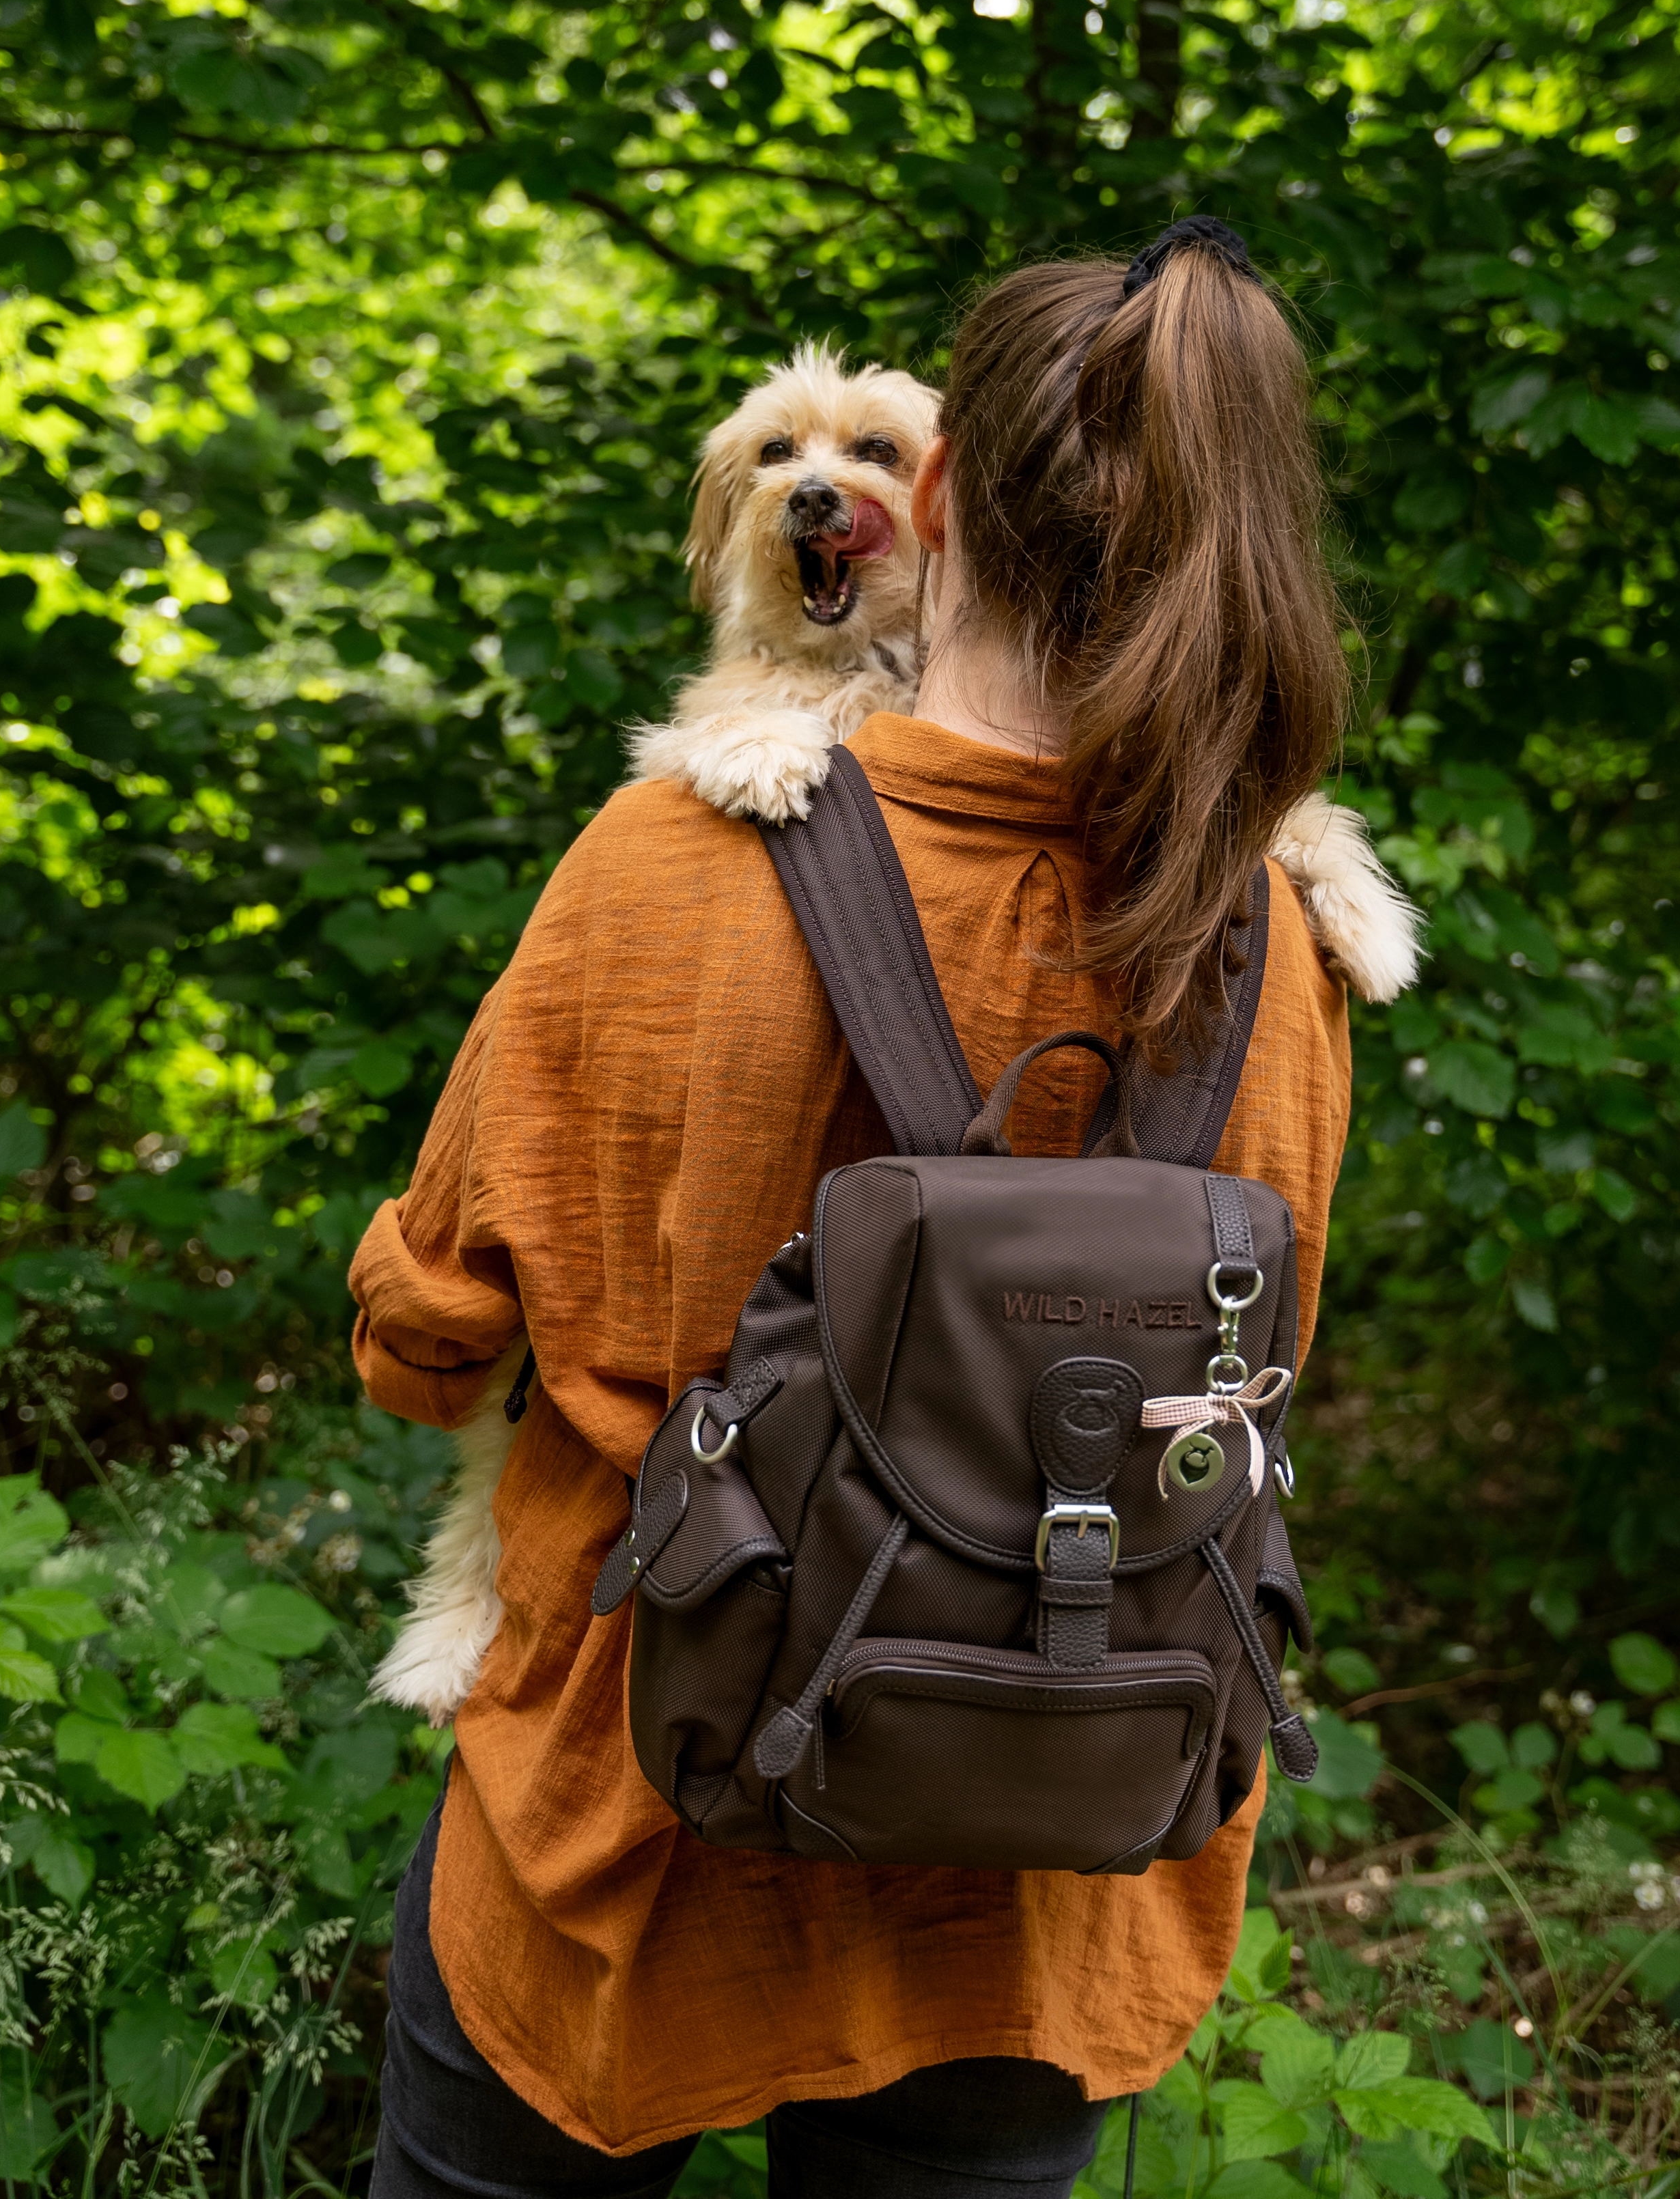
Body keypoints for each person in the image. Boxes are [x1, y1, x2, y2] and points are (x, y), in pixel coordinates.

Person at [350, 220, 1355, 2198]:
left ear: (942, 492)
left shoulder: (668, 859)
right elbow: (1266, 1346)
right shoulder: (1271, 926)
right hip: (1053, 1824)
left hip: (640, 1803)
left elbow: (430, 1326)